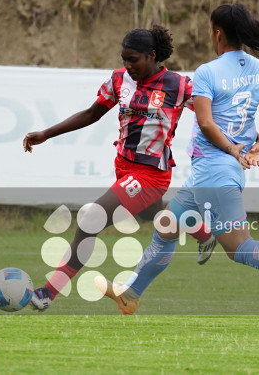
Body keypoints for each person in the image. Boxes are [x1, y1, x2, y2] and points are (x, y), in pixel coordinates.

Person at [95, 4, 259, 322]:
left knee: (240, 248)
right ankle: (131, 295)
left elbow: (206, 123)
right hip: (212, 172)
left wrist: (236, 149)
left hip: (215, 170)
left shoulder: (208, 72)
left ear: (217, 33)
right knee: (166, 226)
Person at [23, 25, 217, 311]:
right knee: (159, 216)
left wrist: (246, 142)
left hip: (151, 175)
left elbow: (210, 116)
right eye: (124, 59)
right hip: (124, 169)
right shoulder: (119, 80)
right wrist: (47, 133)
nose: (127, 65)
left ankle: (48, 292)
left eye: (133, 60)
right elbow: (91, 113)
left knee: (91, 220)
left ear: (152, 56)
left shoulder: (179, 86)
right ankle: (200, 230)